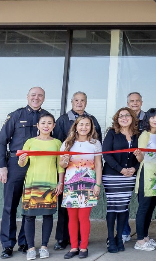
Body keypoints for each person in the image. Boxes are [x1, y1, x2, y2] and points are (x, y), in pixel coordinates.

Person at [0, 87, 51, 259]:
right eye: (33, 95)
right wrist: (2, 166)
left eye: (40, 95)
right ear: (27, 97)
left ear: (44, 98)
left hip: (38, 167)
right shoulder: (16, 116)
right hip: (15, 165)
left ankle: (25, 242)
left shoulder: (47, 118)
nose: (36, 98)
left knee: (31, 206)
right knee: (10, 206)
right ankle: (7, 244)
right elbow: (1, 142)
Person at [53, 91, 102, 252]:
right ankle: (70, 244)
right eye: (76, 100)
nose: (84, 127)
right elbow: (61, 162)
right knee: (70, 217)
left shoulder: (95, 142)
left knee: (83, 217)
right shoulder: (66, 138)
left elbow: (98, 163)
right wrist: (63, 164)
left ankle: (83, 246)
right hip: (70, 183)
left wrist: (97, 184)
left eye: (87, 125)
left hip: (88, 183)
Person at [17, 113, 63, 261]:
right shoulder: (30, 142)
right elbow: (22, 164)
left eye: (49, 123)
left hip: (49, 183)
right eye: (43, 122)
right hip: (32, 183)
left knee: (48, 215)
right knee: (29, 216)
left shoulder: (57, 143)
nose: (46, 125)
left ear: (53, 126)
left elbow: (60, 166)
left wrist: (60, 182)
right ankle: (31, 248)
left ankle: (44, 247)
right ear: (38, 125)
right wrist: (22, 160)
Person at [102, 108, 141, 254]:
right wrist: (121, 169)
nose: (124, 118)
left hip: (129, 176)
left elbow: (140, 156)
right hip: (113, 175)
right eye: (121, 116)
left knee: (124, 207)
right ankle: (111, 239)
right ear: (117, 119)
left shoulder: (137, 135)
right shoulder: (112, 133)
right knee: (113, 207)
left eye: (127, 115)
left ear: (132, 117)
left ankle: (119, 238)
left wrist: (134, 169)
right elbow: (106, 154)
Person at [132, 109, 156, 252]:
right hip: (146, 173)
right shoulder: (145, 135)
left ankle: (145, 236)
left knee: (151, 207)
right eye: (152, 118)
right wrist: (139, 155)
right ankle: (139, 240)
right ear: (148, 120)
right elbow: (140, 158)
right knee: (144, 207)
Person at [124, 91, 147, 242]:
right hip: (125, 167)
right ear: (128, 103)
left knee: (143, 204)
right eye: (131, 101)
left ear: (141, 102)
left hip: (144, 167)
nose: (134, 103)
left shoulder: (148, 119)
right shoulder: (123, 117)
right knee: (124, 203)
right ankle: (124, 231)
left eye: (137, 100)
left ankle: (143, 233)